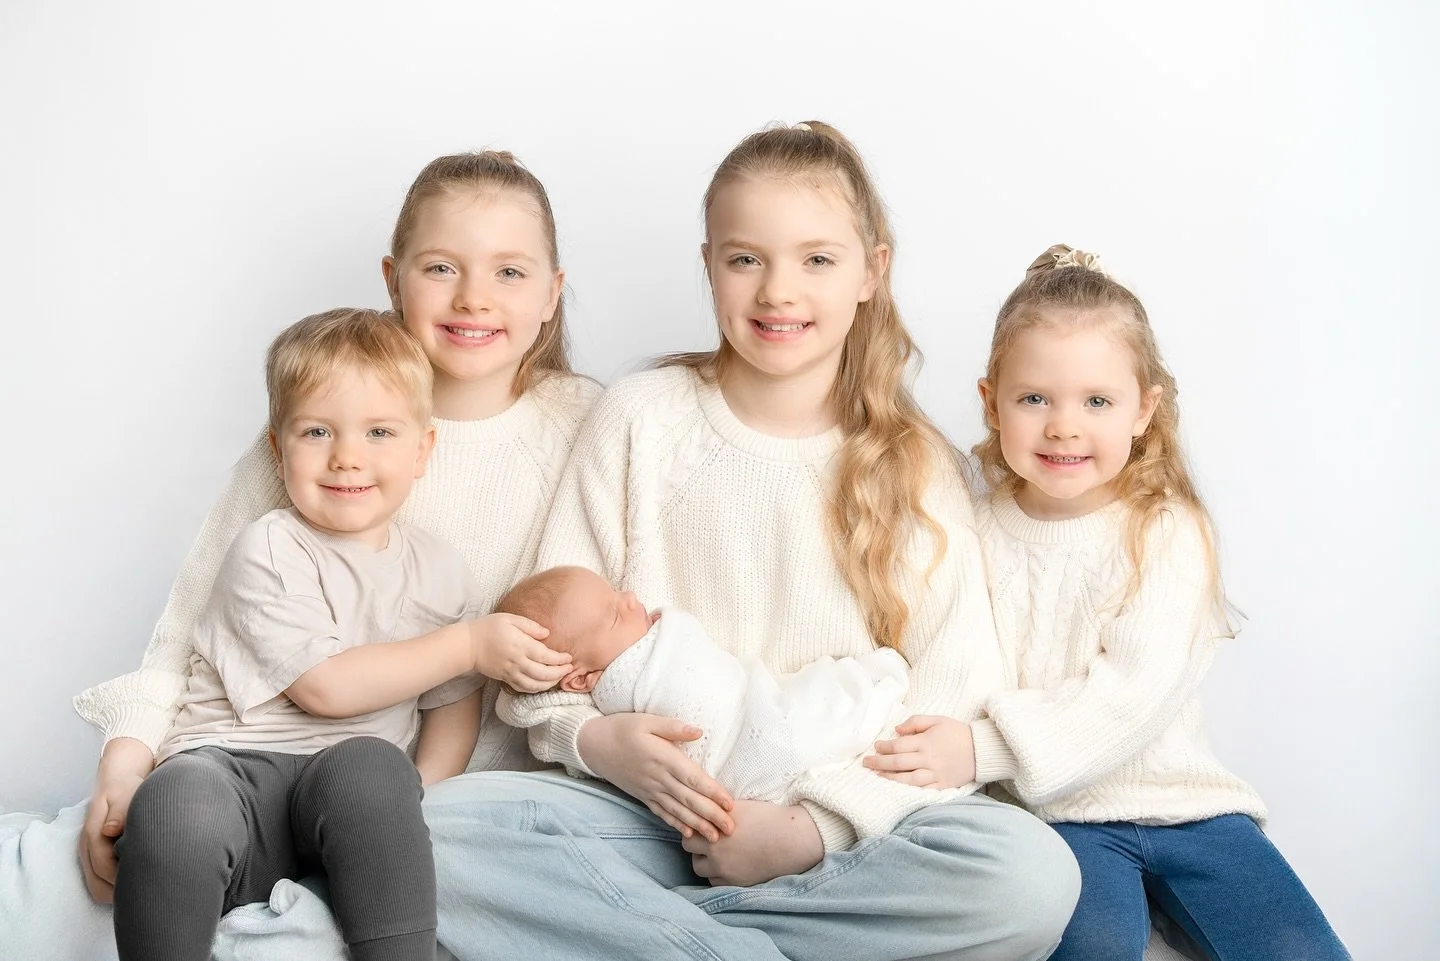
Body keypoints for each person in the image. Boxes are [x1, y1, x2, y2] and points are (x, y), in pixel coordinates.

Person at [421, 121, 1079, 961]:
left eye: (817, 259)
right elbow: (543, 653)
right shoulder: (640, 418)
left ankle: (660, 940)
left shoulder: (916, 465)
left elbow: (949, 697)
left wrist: (810, 828)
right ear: (709, 266)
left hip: (833, 835)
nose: (778, 291)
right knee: (437, 832)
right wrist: (595, 741)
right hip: (647, 812)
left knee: (1029, 876)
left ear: (872, 271)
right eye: (745, 260)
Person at [0, 150, 603, 961]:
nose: (473, 298)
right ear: (394, 280)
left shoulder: (589, 428)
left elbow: (578, 635)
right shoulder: (308, 435)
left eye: (509, 272)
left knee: (372, 799)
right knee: (147, 833)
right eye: (441, 268)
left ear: (552, 293)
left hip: (424, 796)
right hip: (239, 764)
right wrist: (125, 755)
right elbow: (187, 628)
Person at [894, 245, 1348, 960]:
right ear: (991, 402)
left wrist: (981, 748)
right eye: (1034, 398)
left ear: (1144, 409)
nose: (1064, 426)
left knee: (1302, 950)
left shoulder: (1165, 529)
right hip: (1053, 820)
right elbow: (954, 657)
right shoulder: (971, 530)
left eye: (1097, 401)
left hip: (1186, 806)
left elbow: (1136, 690)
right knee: (1090, 947)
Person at [112, 308, 563, 961]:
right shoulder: (269, 547)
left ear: (421, 450)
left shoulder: (441, 569)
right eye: (318, 431)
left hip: (344, 793)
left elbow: (450, 713)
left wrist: (411, 803)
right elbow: (326, 685)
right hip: (236, 772)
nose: (348, 456)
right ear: (278, 447)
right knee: (176, 799)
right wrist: (467, 642)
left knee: (377, 768)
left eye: (379, 431)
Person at [497, 565, 914, 805]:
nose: (628, 597)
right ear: (581, 678)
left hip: (754, 702)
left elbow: (727, 682)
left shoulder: (633, 638)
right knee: (790, 734)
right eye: (612, 615)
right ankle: (869, 687)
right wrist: (591, 739)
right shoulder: (614, 688)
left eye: (616, 591)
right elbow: (523, 706)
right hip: (722, 766)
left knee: (791, 708)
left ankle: (860, 690)